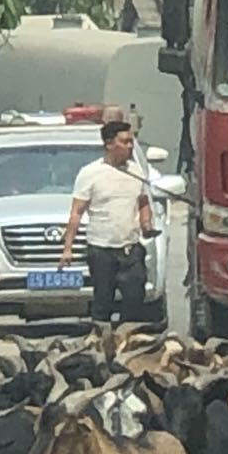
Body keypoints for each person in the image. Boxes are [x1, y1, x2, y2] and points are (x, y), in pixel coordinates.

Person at [60, 119, 156, 323]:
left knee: (135, 297)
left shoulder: (136, 171)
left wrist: (146, 224)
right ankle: (101, 342)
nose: (130, 146)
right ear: (109, 144)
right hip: (101, 249)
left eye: (131, 142)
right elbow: (77, 212)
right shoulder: (91, 173)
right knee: (103, 301)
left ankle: (126, 338)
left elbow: (143, 201)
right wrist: (67, 248)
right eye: (125, 142)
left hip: (130, 248)